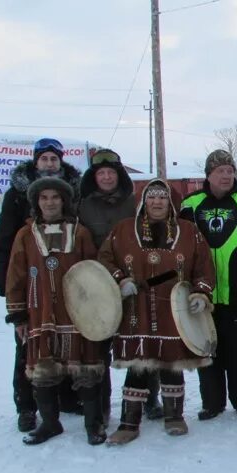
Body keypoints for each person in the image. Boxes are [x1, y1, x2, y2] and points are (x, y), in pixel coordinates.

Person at [99, 179, 215, 444]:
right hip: (135, 309)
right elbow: (104, 258)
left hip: (173, 309)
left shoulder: (189, 232)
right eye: (152, 197)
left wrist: (201, 292)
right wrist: (120, 280)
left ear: (171, 202)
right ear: (143, 201)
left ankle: (174, 417)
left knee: (171, 362)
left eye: (163, 197)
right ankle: (129, 423)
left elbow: (204, 267)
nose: (157, 202)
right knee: (138, 365)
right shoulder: (123, 230)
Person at [5, 177, 105, 445]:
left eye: (55, 197)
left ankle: (93, 425)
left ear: (64, 201)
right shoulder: (25, 235)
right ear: (37, 202)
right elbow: (15, 276)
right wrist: (18, 315)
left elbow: (93, 273)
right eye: (44, 198)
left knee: (85, 369)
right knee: (43, 371)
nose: (50, 202)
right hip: (40, 312)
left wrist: (97, 309)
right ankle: (50, 424)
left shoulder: (80, 233)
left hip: (76, 312)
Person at [0, 137, 82, 432]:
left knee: (66, 340)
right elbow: (4, 242)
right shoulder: (17, 195)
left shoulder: (74, 192)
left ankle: (67, 398)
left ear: (61, 162)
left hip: (65, 279)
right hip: (32, 280)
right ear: (35, 162)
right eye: (43, 159)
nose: (49, 164)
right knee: (28, 344)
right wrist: (8, 290)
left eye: (54, 159)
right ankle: (27, 406)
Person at [180, 150, 237, 420]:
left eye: (230, 170)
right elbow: (181, 250)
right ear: (209, 174)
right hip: (202, 296)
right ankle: (212, 402)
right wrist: (186, 288)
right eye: (221, 171)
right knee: (207, 347)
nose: (227, 175)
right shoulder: (190, 205)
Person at [78, 149, 163, 424]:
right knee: (98, 347)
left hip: (133, 284)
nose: (105, 177)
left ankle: (149, 399)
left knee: (142, 341)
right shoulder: (81, 205)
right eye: (101, 173)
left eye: (111, 173)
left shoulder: (135, 203)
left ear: (119, 176)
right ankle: (101, 407)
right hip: (96, 285)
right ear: (94, 177)